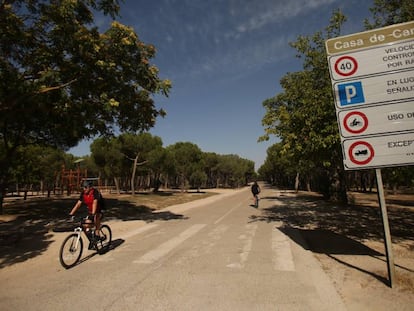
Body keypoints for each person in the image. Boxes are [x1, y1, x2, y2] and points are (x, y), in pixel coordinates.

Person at [69, 180, 103, 247]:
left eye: (85, 187)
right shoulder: (83, 193)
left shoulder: (95, 192)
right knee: (85, 225)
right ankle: (91, 240)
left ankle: (97, 234)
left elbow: (95, 203)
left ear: (90, 187)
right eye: (83, 187)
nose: (84, 189)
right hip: (91, 210)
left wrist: (93, 214)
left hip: (98, 209)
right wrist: (71, 213)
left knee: (96, 220)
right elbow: (78, 204)